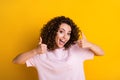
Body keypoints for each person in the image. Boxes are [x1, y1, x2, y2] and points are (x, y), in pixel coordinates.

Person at [13, 16, 104, 80]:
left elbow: (101, 53)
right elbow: (16, 61)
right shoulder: (42, 53)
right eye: (61, 32)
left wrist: (90, 45)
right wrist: (35, 51)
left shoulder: (75, 48)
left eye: (68, 33)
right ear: (53, 32)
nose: (65, 37)